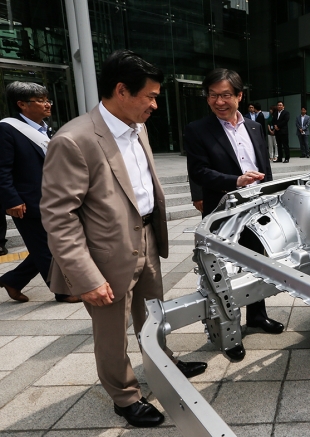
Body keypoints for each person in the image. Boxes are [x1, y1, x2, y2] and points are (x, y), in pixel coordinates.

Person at [40, 50, 207, 428]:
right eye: (149, 96)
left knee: (154, 314)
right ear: (121, 90)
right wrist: (86, 278)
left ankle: (164, 366)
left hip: (145, 236)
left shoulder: (138, 127)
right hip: (103, 257)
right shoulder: (74, 140)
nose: (154, 104)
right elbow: (58, 216)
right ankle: (125, 396)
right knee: (112, 333)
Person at [184, 68, 285, 363]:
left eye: (226, 94)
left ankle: (257, 316)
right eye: (213, 95)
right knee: (223, 272)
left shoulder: (254, 127)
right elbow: (199, 171)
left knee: (259, 261)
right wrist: (235, 181)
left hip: (257, 208)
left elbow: (263, 164)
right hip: (224, 208)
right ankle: (227, 331)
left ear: (239, 96)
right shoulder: (198, 129)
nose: (219, 101)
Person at [0, 81, 80, 304]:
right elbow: (2, 168)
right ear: (21, 105)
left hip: (53, 198)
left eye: (48, 100)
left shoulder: (45, 128)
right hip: (26, 201)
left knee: (48, 244)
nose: (48, 105)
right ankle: (62, 291)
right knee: (45, 247)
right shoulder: (7, 129)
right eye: (41, 100)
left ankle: (13, 280)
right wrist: (11, 199)